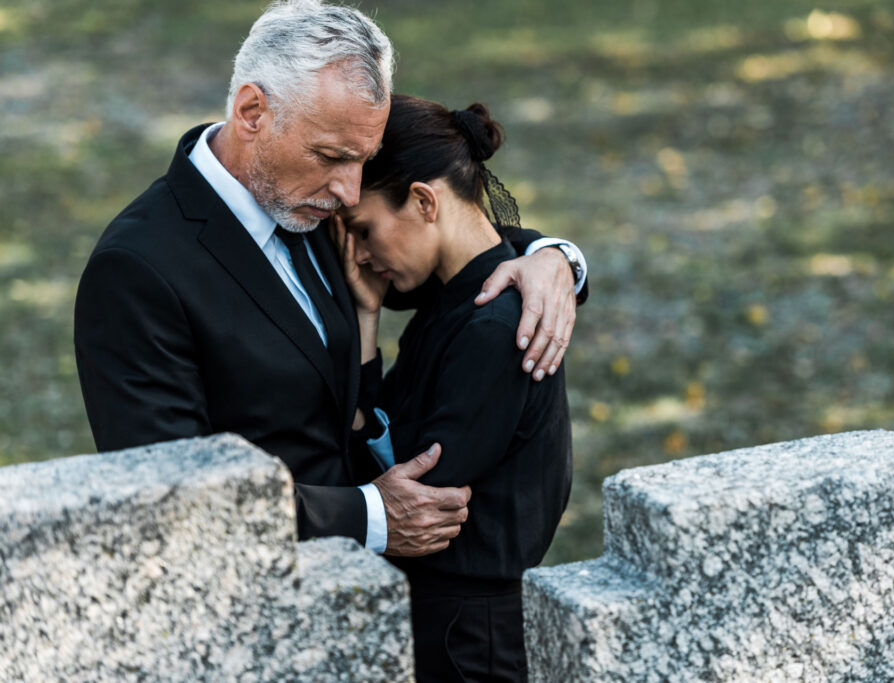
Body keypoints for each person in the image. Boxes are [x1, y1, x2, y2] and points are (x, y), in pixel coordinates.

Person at [73, 0, 587, 557]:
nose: (348, 192)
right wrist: (368, 515)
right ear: (252, 113)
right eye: (332, 156)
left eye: (362, 161)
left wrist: (554, 258)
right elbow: (171, 497)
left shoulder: (315, 201)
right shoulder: (136, 270)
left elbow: (450, 249)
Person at [338, 95, 573, 682]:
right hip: (447, 621)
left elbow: (417, 493)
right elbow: (381, 432)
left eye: (363, 230)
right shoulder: (451, 300)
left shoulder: (495, 328)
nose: (360, 256)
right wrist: (366, 322)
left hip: (472, 639)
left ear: (423, 200)